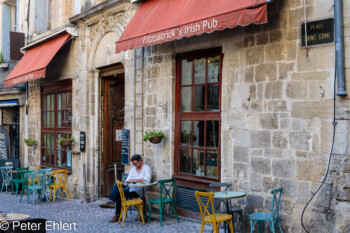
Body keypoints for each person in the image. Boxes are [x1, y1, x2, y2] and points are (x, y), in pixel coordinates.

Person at [100, 154, 152, 223]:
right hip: (131, 187)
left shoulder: (147, 168)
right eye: (133, 164)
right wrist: (127, 182)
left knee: (118, 194)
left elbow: (147, 179)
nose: (135, 165)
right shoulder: (133, 169)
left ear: (140, 161)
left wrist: (133, 180)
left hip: (138, 190)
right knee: (116, 185)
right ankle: (111, 201)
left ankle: (117, 214)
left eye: (135, 163)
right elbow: (128, 179)